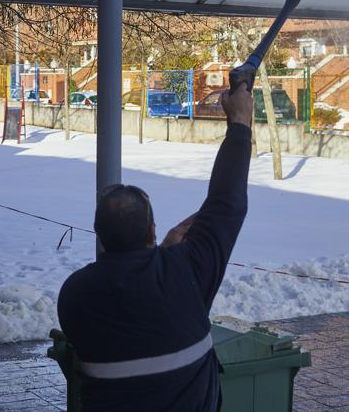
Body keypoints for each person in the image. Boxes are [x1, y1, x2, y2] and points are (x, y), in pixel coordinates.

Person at [57, 86, 254, 411]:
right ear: (151, 230)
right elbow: (227, 202)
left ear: (99, 234)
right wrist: (241, 120)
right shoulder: (186, 273)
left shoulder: (75, 294)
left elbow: (132, 312)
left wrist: (162, 258)